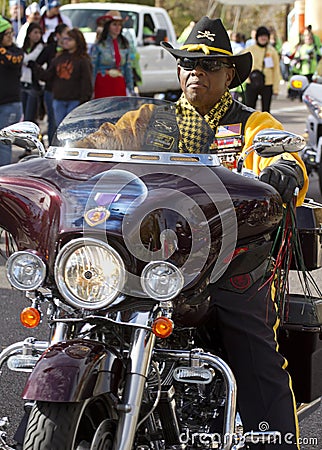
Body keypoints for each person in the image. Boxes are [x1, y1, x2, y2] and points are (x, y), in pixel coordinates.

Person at [78, 18, 308, 449]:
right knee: (84, 320)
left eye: (207, 65)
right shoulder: (149, 117)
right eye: (186, 63)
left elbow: (288, 156)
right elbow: (94, 146)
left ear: (230, 75)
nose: (194, 72)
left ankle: (275, 441)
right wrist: (68, 162)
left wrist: (282, 170)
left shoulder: (251, 122)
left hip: (230, 260)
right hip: (147, 256)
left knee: (253, 348)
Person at [33, 27, 92, 129]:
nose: (66, 42)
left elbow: (86, 82)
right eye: (64, 39)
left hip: (75, 100)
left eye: (69, 39)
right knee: (60, 128)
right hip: (58, 99)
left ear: (77, 41)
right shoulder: (58, 58)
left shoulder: (83, 60)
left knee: (73, 129)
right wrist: (36, 69)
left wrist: (84, 101)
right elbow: (48, 76)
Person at [35, 23, 70, 144]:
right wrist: (44, 75)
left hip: (67, 92)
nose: (68, 37)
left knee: (66, 123)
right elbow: (37, 62)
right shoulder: (50, 49)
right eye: (66, 33)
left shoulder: (70, 50)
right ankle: (52, 147)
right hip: (51, 90)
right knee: (53, 121)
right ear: (58, 35)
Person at [90, 10, 134, 98]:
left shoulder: (124, 44)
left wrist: (130, 89)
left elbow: (128, 67)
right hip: (102, 83)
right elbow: (93, 67)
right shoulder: (99, 45)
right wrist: (91, 89)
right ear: (108, 26)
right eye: (114, 24)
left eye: (120, 25)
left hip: (119, 83)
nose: (118, 27)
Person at [0, 15, 24, 166]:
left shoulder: (16, 52)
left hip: (9, 104)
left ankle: (3, 178)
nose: (10, 36)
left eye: (11, 33)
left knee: (3, 142)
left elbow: (13, 61)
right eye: (7, 34)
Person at [244, 26, 281, 113]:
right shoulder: (250, 50)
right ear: (257, 37)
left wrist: (276, 88)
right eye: (261, 36)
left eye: (265, 36)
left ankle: (265, 126)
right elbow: (244, 65)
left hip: (267, 83)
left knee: (266, 110)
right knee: (249, 109)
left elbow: (276, 70)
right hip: (252, 82)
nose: (263, 38)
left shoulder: (272, 51)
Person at [20, 22, 44, 124]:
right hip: (23, 83)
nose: (37, 35)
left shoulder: (41, 47)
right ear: (29, 34)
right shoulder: (24, 48)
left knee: (29, 117)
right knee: (23, 113)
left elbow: (30, 58)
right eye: (35, 32)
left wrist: (25, 60)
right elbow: (23, 59)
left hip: (34, 84)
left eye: (39, 33)